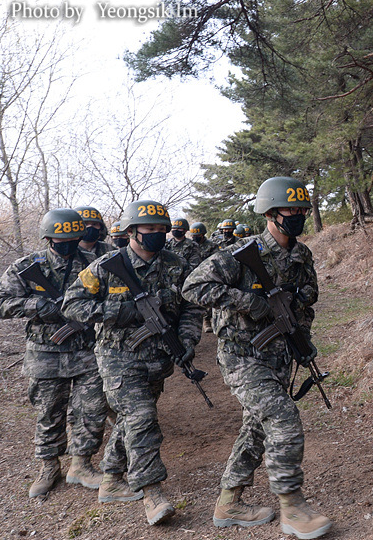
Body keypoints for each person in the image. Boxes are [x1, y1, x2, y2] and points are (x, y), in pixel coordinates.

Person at [182, 176, 331, 538]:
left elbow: (305, 302)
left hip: (278, 356)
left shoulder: (301, 255)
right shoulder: (242, 254)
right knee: (283, 419)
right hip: (242, 357)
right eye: (289, 209)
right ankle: (292, 507)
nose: (296, 215)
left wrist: (302, 339)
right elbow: (193, 286)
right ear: (269, 211)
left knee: (256, 429)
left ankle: (229, 502)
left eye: (300, 209)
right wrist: (248, 301)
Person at [62, 199, 203, 525]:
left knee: (130, 421)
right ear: (132, 231)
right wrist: (119, 313)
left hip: (157, 359)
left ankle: (112, 479)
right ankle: (152, 491)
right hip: (117, 357)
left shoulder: (176, 265)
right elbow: (72, 304)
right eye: (149, 228)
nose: (156, 234)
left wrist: (187, 341)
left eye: (160, 229)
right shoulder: (107, 266)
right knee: (142, 418)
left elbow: (191, 308)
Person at [0, 209, 108, 498]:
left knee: (90, 411)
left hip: (87, 351)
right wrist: (36, 306)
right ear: (47, 239)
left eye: (72, 239)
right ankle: (49, 467)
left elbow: (112, 300)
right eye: (60, 240)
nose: (66, 245)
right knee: (49, 413)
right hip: (45, 353)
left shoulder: (94, 265)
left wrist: (87, 313)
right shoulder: (28, 266)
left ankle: (81, 464)